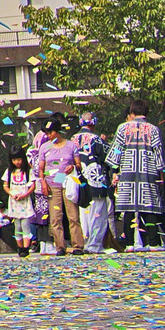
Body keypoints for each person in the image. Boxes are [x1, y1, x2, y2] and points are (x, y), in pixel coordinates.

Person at [107, 100, 163, 250]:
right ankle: (153, 243)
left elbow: (116, 151)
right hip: (148, 172)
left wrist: (114, 171)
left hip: (127, 172)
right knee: (149, 208)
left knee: (128, 208)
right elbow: (158, 153)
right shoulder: (153, 129)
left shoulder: (122, 128)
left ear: (132, 112)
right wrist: (161, 174)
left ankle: (130, 243)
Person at [35, 115, 84, 255]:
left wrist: (74, 167)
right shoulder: (44, 148)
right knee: (56, 217)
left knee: (73, 215)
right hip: (52, 183)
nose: (49, 136)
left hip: (68, 183)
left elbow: (78, 163)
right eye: (47, 133)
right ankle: (60, 246)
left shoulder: (71, 145)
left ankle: (77, 245)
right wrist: (43, 182)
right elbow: (41, 168)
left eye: (51, 132)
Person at [74, 111, 113, 254]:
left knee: (83, 215)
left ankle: (84, 242)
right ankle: (94, 244)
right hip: (96, 182)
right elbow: (110, 157)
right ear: (94, 122)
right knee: (98, 215)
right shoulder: (96, 139)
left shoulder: (72, 139)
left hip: (79, 183)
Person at [4, 147, 36, 256]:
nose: (17, 162)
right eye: (14, 160)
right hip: (14, 202)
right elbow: (5, 186)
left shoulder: (28, 171)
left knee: (25, 224)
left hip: (25, 201)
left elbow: (33, 185)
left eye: (19, 159)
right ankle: (20, 247)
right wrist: (12, 193)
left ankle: (26, 247)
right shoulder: (9, 171)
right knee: (17, 226)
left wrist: (25, 194)